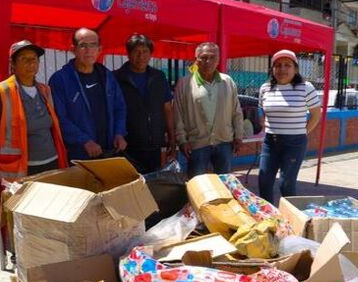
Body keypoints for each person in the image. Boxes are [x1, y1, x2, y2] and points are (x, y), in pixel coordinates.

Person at [0, 40, 68, 181]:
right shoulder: (2, 91)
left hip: (52, 161)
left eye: (34, 58)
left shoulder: (45, 90)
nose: (31, 63)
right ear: (13, 64)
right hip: (22, 167)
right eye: (23, 59)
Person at [48, 27, 127, 161]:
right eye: (83, 45)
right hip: (78, 155)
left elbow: (119, 107)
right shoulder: (60, 79)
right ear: (73, 49)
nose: (89, 50)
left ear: (99, 49)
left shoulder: (107, 76)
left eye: (93, 45)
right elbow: (59, 118)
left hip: (108, 152)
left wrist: (119, 133)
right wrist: (84, 141)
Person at [257, 49, 322, 204]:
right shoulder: (265, 88)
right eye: (278, 65)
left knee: (286, 184)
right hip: (270, 142)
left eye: (287, 65)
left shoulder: (305, 88)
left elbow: (316, 114)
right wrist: (264, 124)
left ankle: (291, 219)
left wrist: (302, 132)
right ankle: (268, 219)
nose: (282, 69)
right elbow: (262, 109)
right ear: (272, 69)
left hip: (294, 143)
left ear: (295, 69)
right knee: (264, 181)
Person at [174, 42, 244, 178]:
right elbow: (178, 115)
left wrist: (239, 136)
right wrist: (182, 140)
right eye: (204, 57)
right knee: (197, 185)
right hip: (197, 143)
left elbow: (236, 112)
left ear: (218, 60)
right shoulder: (184, 83)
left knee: (225, 184)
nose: (208, 61)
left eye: (212, 57)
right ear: (196, 59)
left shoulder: (227, 81)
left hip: (224, 142)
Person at [114, 34, 175, 173]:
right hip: (127, 147)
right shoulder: (116, 78)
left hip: (154, 146)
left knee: (153, 186)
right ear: (128, 54)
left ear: (150, 54)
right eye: (136, 51)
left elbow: (168, 109)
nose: (141, 56)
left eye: (145, 51)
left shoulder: (158, 77)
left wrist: (172, 138)